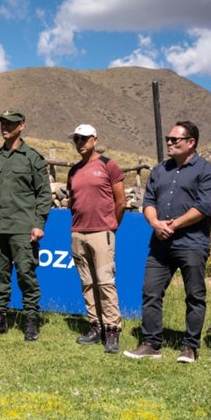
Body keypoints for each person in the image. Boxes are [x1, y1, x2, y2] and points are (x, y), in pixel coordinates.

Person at [124, 121, 211, 363]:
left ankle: (190, 347)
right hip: (160, 243)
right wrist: (156, 224)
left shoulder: (206, 171)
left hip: (192, 243)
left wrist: (172, 225)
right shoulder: (159, 170)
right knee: (151, 292)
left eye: (175, 139)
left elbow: (203, 207)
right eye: (168, 138)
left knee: (194, 295)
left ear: (191, 143)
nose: (169, 142)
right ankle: (151, 344)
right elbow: (148, 202)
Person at [0, 109, 50, 341]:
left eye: (10, 123)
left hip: (23, 227)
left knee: (26, 274)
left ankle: (30, 321)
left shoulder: (32, 158)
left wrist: (38, 223)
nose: (5, 127)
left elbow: (44, 194)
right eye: (2, 123)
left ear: (21, 126)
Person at [66, 124, 126, 354]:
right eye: (76, 139)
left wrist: (111, 227)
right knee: (87, 283)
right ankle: (95, 325)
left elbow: (120, 201)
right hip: (78, 233)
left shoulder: (108, 165)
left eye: (83, 139)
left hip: (102, 232)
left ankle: (112, 330)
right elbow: (73, 202)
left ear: (94, 139)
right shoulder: (74, 171)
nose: (79, 143)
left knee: (105, 283)